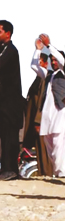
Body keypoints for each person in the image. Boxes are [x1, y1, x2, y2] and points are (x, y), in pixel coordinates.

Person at [0, 20, 24, 180]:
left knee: (9, 137)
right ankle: (7, 168)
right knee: (4, 136)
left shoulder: (10, 51)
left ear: (8, 33)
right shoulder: (3, 50)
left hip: (10, 103)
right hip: (4, 102)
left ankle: (10, 169)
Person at [31, 35, 65, 176]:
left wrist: (49, 46)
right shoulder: (49, 75)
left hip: (60, 112)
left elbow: (63, 61)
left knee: (59, 144)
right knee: (49, 144)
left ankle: (61, 173)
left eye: (55, 59)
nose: (54, 61)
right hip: (47, 114)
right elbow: (34, 66)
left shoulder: (63, 74)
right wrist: (38, 50)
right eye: (52, 59)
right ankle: (57, 172)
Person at [23, 52, 51, 176]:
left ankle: (48, 173)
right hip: (34, 119)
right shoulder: (39, 79)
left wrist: (38, 120)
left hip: (42, 120)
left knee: (45, 149)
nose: (39, 63)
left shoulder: (48, 79)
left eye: (41, 61)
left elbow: (43, 101)